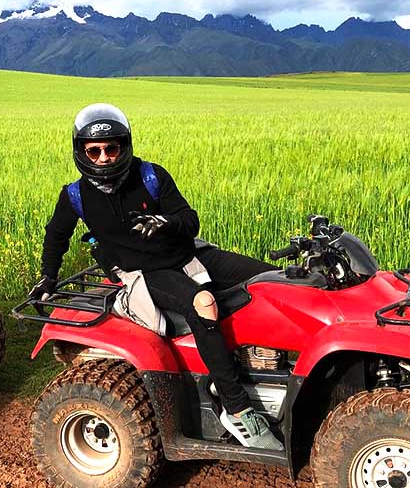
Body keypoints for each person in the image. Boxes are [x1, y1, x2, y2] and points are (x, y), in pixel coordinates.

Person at [29, 103, 283, 451]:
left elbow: (189, 220)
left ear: (124, 146)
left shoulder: (151, 176)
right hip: (145, 274)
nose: (104, 157)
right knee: (203, 303)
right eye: (94, 150)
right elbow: (56, 236)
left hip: (187, 253)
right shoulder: (74, 196)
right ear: (81, 152)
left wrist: (167, 224)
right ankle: (234, 405)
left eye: (111, 148)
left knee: (273, 279)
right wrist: (47, 276)